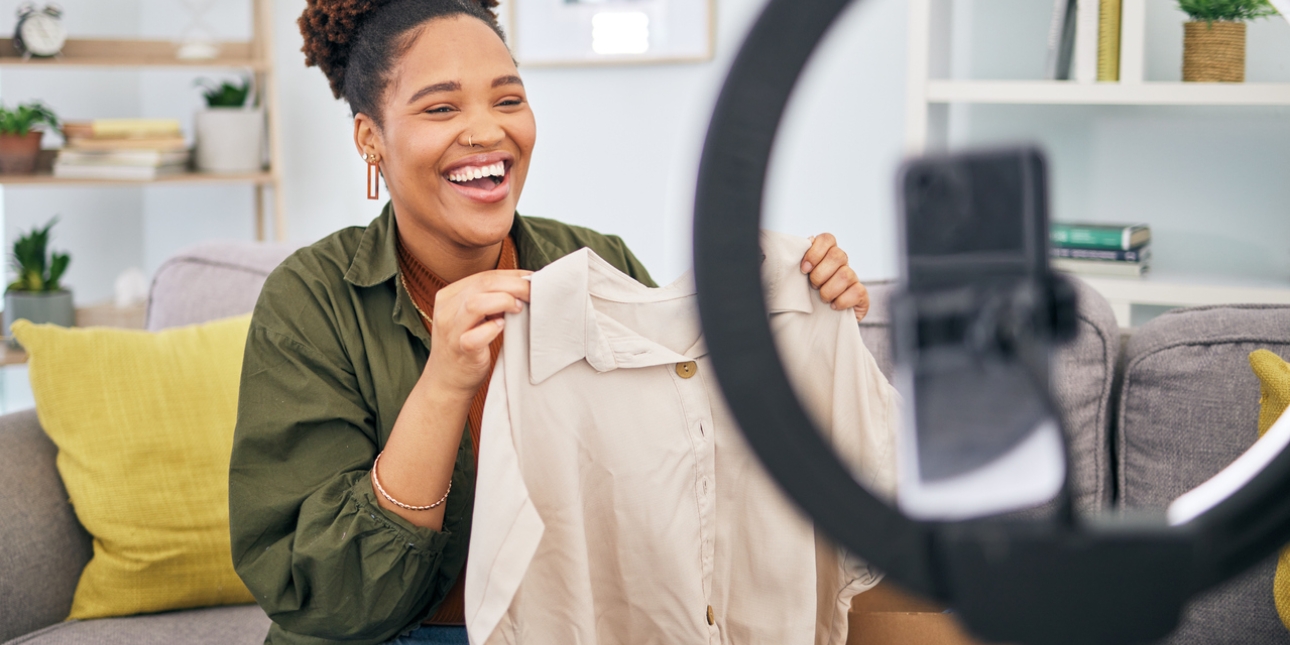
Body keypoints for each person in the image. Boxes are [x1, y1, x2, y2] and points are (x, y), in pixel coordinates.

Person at [228, 1, 872, 643]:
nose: (485, 132)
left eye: (508, 101)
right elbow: (327, 594)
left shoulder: (597, 264)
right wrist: (446, 382)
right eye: (440, 107)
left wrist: (801, 318)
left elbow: (695, 464)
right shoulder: (310, 302)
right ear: (371, 138)